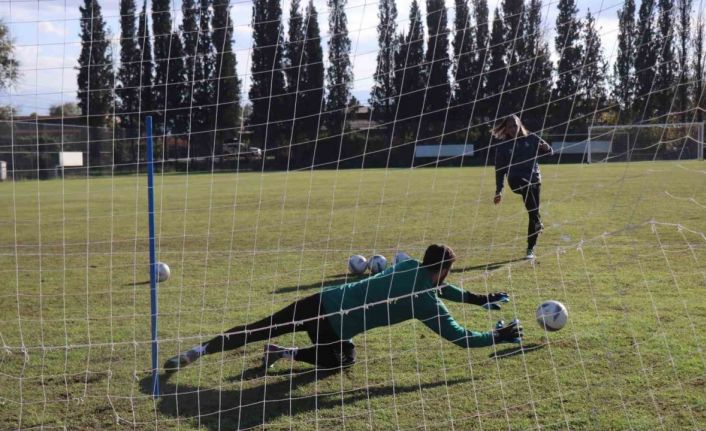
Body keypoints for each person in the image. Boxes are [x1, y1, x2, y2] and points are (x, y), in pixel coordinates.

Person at [164, 244, 523, 372]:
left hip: (321, 300)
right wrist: (495, 335)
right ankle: (286, 354)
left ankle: (197, 351)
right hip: (333, 329)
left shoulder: (408, 265)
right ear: (443, 270)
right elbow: (460, 337)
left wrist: (477, 298)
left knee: (262, 326)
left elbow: (443, 287)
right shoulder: (426, 304)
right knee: (344, 359)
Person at [492, 115, 554, 260]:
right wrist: (499, 190)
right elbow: (500, 170)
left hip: (534, 180)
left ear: (520, 125)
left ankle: (530, 249)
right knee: (525, 189)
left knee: (533, 213)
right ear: (505, 129)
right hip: (515, 180)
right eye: (509, 126)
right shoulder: (503, 147)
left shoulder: (532, 138)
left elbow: (550, 152)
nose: (513, 129)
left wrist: (546, 148)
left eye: (515, 125)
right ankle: (538, 220)